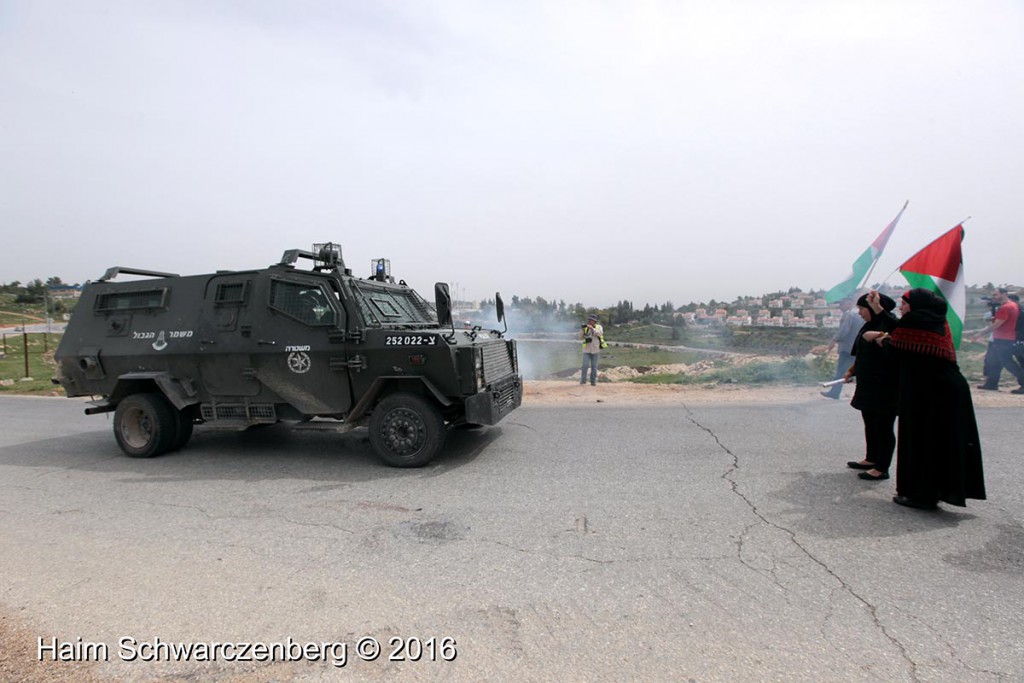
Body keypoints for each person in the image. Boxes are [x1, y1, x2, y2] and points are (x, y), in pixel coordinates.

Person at [864, 288, 985, 510]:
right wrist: (878, 310)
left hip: (933, 393)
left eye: (904, 304)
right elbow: (900, 331)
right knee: (937, 443)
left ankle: (923, 495)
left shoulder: (918, 320)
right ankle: (930, 492)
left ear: (916, 306)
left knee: (925, 442)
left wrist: (882, 340)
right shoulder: (930, 320)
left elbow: (898, 342)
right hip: (939, 390)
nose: (901, 308)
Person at [843, 292, 898, 481]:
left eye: (862, 309)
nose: (859, 313)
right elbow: (863, 354)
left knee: (883, 425)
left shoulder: (890, 327)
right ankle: (871, 458)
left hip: (884, 385)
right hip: (868, 384)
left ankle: (882, 467)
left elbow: (895, 352)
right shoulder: (869, 326)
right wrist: (852, 370)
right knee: (870, 423)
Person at [974, 287, 1024, 394]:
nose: (994, 297)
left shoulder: (1006, 307)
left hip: (1003, 339)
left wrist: (979, 334)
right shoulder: (1013, 305)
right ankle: (991, 383)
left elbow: (996, 325)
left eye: (996, 295)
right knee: (995, 361)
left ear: (1004, 294)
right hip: (1005, 338)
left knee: (1008, 363)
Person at [821, 298, 859, 399]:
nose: (840, 307)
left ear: (849, 303)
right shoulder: (859, 314)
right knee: (855, 371)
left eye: (842, 304)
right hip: (857, 348)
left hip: (847, 349)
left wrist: (834, 340)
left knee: (841, 371)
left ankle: (835, 392)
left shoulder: (849, 314)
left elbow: (843, 332)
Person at [579, 313, 603, 386]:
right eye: (589, 320)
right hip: (586, 350)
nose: (590, 321)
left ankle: (593, 382)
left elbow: (600, 334)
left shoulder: (599, 327)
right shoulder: (585, 328)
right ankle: (583, 381)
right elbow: (580, 337)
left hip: (595, 350)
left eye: (591, 320)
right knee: (585, 366)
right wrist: (582, 330)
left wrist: (592, 328)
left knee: (594, 366)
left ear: (594, 321)